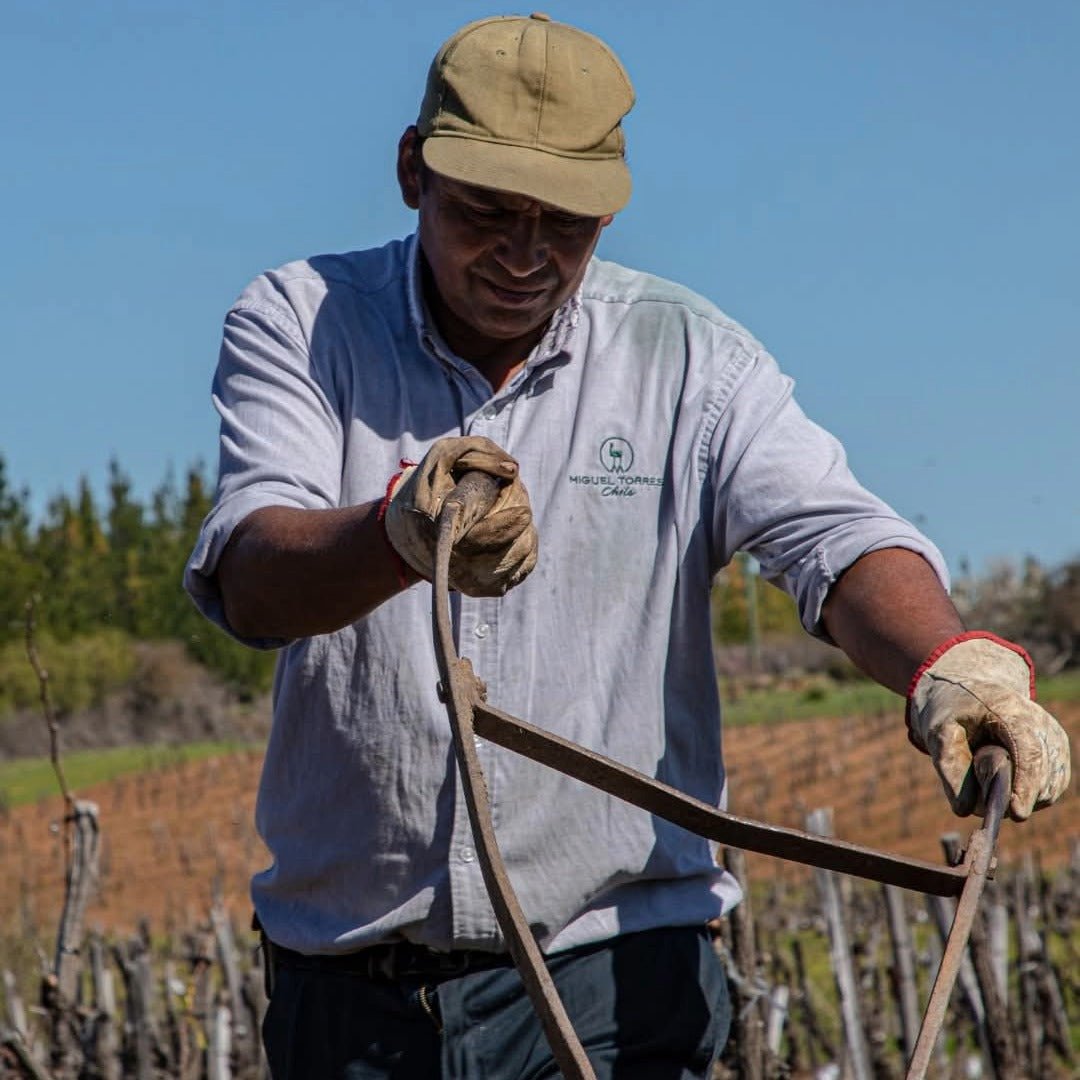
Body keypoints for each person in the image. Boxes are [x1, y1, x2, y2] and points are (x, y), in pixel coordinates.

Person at [184, 13, 1071, 1079]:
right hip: (355, 998)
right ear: (414, 171)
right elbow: (254, 579)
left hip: (615, 977)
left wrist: (947, 664)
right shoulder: (302, 322)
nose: (525, 256)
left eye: (566, 223)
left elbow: (833, 535)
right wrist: (399, 532)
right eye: (487, 214)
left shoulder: (689, 357)